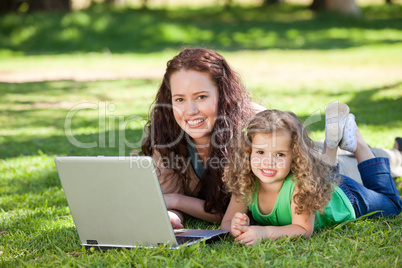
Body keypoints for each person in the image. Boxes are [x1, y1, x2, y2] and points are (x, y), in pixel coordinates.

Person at [140, 47, 402, 228]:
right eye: (180, 99)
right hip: (307, 159)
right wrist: (171, 210)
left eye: (201, 97)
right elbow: (168, 196)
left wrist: (176, 202)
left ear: (222, 94)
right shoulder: (167, 136)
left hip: (315, 167)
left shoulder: (253, 126)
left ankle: (388, 152)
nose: (190, 111)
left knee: (367, 168)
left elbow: (227, 208)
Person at [221, 103, 402, 245]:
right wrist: (236, 228)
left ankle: (358, 144)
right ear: (249, 152)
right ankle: (330, 146)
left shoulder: (299, 187)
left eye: (280, 154)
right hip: (320, 183)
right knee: (320, 178)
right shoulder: (246, 183)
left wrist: (265, 233)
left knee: (392, 205)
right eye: (260, 152)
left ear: (295, 156)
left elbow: (303, 229)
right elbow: (226, 222)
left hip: (345, 197)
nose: (269, 161)